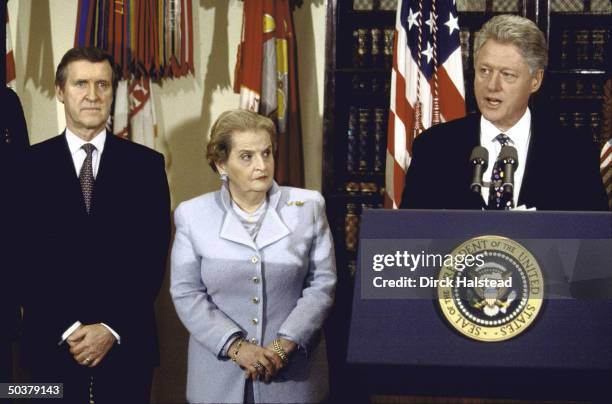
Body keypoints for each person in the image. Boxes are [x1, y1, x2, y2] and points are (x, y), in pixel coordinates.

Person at [20, 47, 170, 403]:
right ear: (60, 91)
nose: (92, 95)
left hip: (126, 344)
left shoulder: (146, 167)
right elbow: (17, 257)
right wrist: (69, 328)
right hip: (49, 346)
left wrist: (110, 328)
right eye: (81, 84)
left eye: (102, 84)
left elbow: (151, 259)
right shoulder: (25, 167)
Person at [170, 109, 336, 403]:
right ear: (221, 163)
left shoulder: (308, 207)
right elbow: (186, 293)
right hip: (218, 378)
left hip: (292, 377)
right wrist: (236, 347)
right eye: (247, 156)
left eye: (267, 153)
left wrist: (284, 346)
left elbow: (321, 285)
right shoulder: (192, 215)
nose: (261, 165)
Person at [400, 14, 608, 211]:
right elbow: (409, 236)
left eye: (507, 74)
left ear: (535, 80)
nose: (492, 85)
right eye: (485, 71)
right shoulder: (434, 148)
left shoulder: (574, 151)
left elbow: (593, 239)